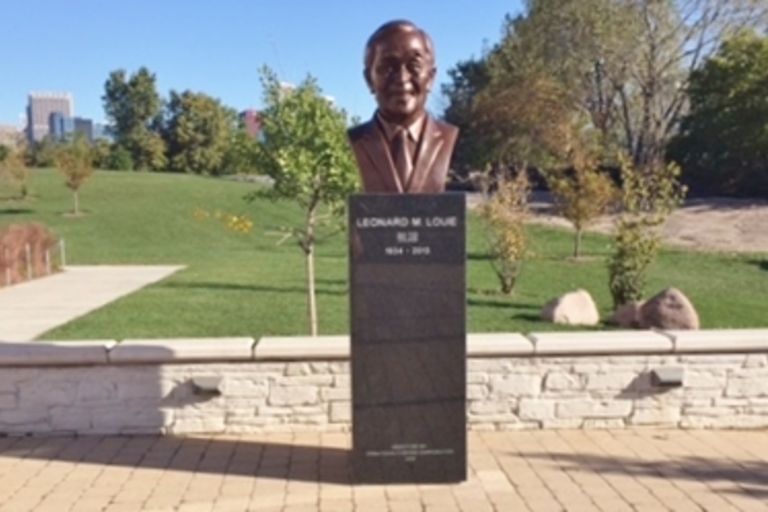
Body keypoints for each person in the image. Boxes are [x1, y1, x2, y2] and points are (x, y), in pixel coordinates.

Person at [348, 20, 458, 194]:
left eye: (414, 66)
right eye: (388, 68)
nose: (402, 79)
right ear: (369, 79)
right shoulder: (355, 141)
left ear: (430, 77)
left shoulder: (449, 137)